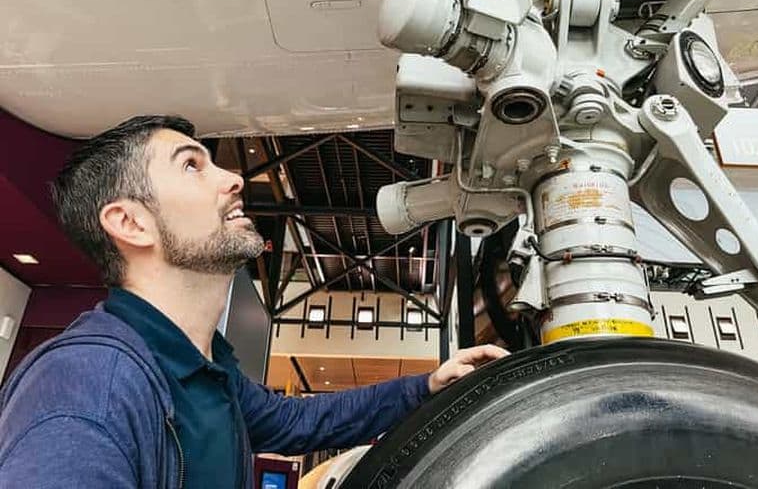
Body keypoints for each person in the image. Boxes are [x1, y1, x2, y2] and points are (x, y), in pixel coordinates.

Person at [0, 115, 508, 488]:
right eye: (192, 166)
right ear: (130, 222)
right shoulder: (87, 386)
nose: (233, 178)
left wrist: (427, 385)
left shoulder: (201, 366)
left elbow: (297, 422)